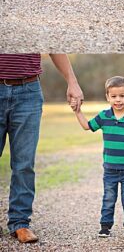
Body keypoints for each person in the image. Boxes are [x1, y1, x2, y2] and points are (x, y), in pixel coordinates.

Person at [0, 54, 84, 244]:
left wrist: (72, 81)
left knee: (24, 163)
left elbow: (53, 45)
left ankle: (20, 223)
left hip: (28, 91)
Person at [72, 75, 124, 239]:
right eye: (114, 96)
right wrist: (78, 111)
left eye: (122, 96)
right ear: (107, 97)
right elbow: (87, 126)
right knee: (109, 198)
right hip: (110, 169)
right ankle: (105, 227)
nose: (118, 100)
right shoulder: (104, 117)